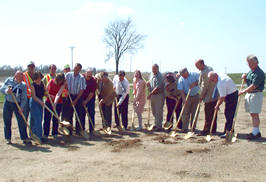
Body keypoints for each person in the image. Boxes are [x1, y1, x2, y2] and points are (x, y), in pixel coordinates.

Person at [0, 71, 31, 144]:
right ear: (15, 76)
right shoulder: (9, 80)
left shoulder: (23, 85)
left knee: (21, 121)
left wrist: (21, 107)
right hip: (8, 103)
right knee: (7, 121)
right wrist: (7, 91)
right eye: (19, 77)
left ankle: (24, 137)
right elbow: (2, 89)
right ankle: (8, 138)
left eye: (22, 77)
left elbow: (24, 98)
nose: (21, 78)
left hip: (17, 104)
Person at [239, 55, 265, 140]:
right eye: (248, 63)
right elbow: (249, 82)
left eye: (251, 63)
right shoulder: (251, 71)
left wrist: (243, 91)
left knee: (254, 113)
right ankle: (255, 131)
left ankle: (256, 132)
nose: (249, 64)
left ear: (256, 62)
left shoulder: (259, 73)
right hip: (250, 94)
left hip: (256, 94)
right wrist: (245, 77)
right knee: (252, 113)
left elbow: (254, 85)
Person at [208, 71, 238, 138]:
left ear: (215, 77)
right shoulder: (220, 75)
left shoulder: (220, 83)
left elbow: (222, 97)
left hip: (232, 95)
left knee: (229, 114)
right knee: (227, 113)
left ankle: (229, 131)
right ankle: (227, 130)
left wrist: (217, 105)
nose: (211, 81)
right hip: (230, 93)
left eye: (212, 80)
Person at [61, 63, 86, 135]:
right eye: (75, 68)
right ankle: (69, 130)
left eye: (77, 68)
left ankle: (78, 130)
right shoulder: (68, 75)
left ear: (80, 70)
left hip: (78, 96)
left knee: (78, 114)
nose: (76, 69)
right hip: (69, 96)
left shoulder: (81, 78)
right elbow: (64, 84)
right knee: (69, 114)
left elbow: (81, 90)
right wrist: (66, 90)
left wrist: (75, 100)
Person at [195, 59, 218, 136]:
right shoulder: (208, 68)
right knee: (212, 112)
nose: (197, 68)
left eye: (197, 66)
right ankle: (213, 129)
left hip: (209, 96)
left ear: (202, 64)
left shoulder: (205, 72)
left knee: (208, 113)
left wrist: (200, 96)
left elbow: (204, 86)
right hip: (213, 95)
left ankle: (207, 130)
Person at [43, 73, 65, 139]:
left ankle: (55, 132)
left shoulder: (62, 85)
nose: (60, 82)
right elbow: (45, 91)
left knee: (56, 118)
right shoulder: (50, 81)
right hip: (48, 102)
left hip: (58, 103)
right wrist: (49, 96)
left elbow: (58, 94)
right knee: (47, 118)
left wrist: (55, 103)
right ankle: (46, 133)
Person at [177, 68, 200, 132]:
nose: (183, 76)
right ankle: (185, 128)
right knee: (185, 113)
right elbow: (181, 90)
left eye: (183, 75)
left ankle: (193, 128)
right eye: (181, 75)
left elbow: (201, 81)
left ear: (186, 72)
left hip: (196, 95)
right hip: (187, 96)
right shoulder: (181, 79)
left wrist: (195, 84)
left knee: (194, 113)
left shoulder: (195, 75)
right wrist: (184, 98)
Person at [147, 64, 165, 131]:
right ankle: (156, 123)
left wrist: (150, 94)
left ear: (157, 69)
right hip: (153, 95)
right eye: (152, 69)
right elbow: (150, 83)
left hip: (159, 95)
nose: (153, 70)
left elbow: (157, 87)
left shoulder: (160, 76)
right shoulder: (151, 74)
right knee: (154, 111)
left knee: (158, 111)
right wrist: (148, 84)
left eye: (154, 69)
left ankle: (159, 126)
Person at [29, 72, 45, 142]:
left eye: (40, 78)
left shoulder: (42, 84)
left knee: (39, 118)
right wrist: (40, 102)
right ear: (35, 78)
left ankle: (32, 134)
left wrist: (48, 95)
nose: (39, 79)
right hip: (34, 102)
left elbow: (44, 92)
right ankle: (39, 136)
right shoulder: (33, 85)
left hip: (40, 101)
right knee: (37, 119)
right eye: (38, 78)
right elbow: (34, 96)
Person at [80, 69, 97, 134]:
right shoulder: (82, 78)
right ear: (85, 74)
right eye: (87, 75)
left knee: (91, 113)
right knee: (82, 114)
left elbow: (91, 93)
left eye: (90, 76)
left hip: (90, 99)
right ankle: (82, 129)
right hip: (82, 98)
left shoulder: (93, 81)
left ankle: (91, 129)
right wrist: (83, 100)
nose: (88, 77)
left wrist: (86, 101)